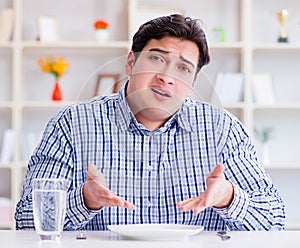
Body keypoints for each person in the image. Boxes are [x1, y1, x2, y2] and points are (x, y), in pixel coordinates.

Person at [15, 14, 285, 231]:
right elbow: (27, 220)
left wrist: (228, 197)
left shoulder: (221, 128)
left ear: (191, 85)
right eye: (157, 59)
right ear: (131, 63)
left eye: (183, 68)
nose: (167, 77)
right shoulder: (71, 124)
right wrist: (84, 200)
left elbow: (274, 221)